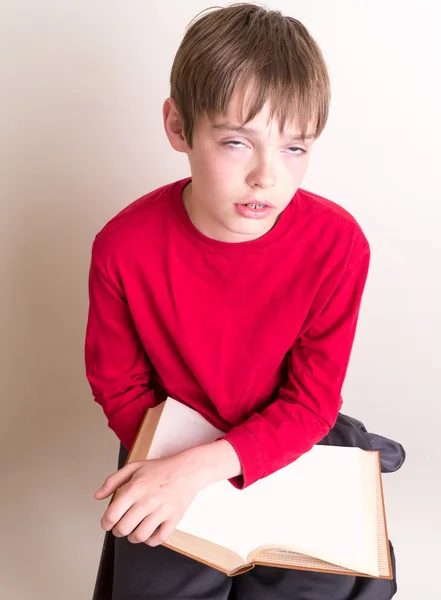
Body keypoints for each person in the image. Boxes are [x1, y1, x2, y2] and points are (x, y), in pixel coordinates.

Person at [85, 3, 398, 599]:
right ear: (179, 127)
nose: (266, 177)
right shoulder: (122, 246)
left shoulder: (338, 243)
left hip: (291, 439)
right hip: (169, 440)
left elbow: (311, 400)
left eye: (294, 149)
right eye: (236, 142)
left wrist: (214, 466)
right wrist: (177, 468)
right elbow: (119, 386)